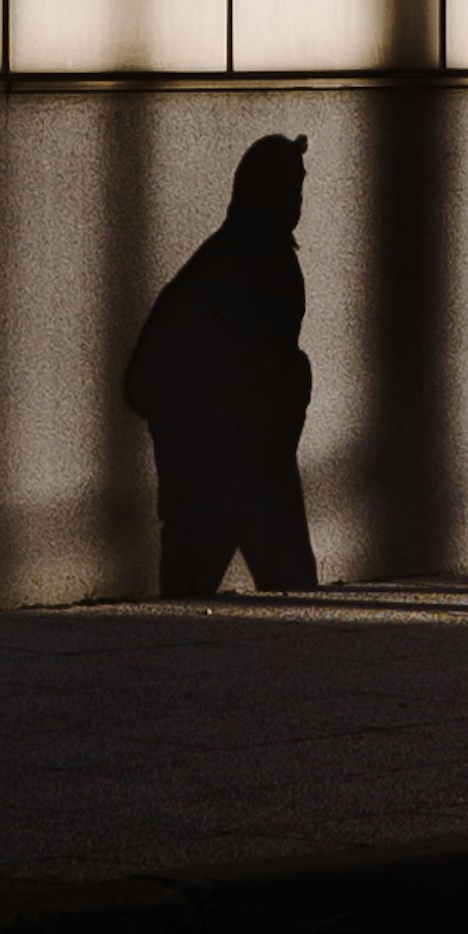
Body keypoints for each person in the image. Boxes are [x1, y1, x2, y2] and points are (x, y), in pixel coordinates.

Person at [124, 133, 322, 599]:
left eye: (300, 188)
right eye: (291, 188)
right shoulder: (253, 263)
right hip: (236, 468)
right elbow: (153, 378)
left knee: (204, 605)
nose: (298, 201)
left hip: (233, 468)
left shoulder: (235, 258)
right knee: (289, 599)